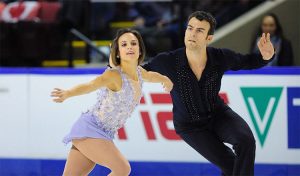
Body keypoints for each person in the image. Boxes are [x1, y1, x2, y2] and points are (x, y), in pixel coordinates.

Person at [143, 11, 275, 176]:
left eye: (199, 30)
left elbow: (248, 61)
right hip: (190, 126)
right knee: (231, 165)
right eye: (190, 28)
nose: (193, 33)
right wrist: (117, 67)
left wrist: (266, 57)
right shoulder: (168, 61)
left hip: (218, 114)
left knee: (246, 141)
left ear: (209, 38)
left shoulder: (220, 57)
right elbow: (139, 73)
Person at [51, 28, 173, 176]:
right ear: (117, 52)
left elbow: (152, 76)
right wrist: (68, 93)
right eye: (124, 44)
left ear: (140, 50)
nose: (129, 47)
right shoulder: (114, 75)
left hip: (104, 133)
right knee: (122, 169)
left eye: (133, 43)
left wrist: (165, 79)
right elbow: (91, 85)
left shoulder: (141, 73)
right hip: (91, 129)